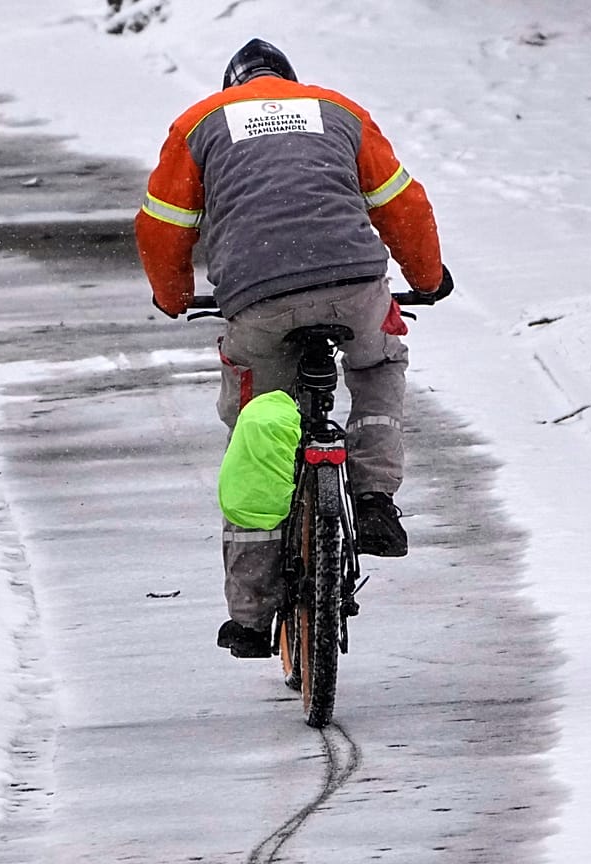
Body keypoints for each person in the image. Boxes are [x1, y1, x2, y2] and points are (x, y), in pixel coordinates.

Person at [134, 38, 453, 659]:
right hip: (353, 282)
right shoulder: (338, 111)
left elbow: (163, 224)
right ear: (290, 81)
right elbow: (401, 203)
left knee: (256, 432)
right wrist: (428, 276)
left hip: (259, 296)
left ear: (235, 87)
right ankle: (375, 498)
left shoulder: (199, 123)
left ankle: (251, 618)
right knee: (379, 361)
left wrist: (174, 295)